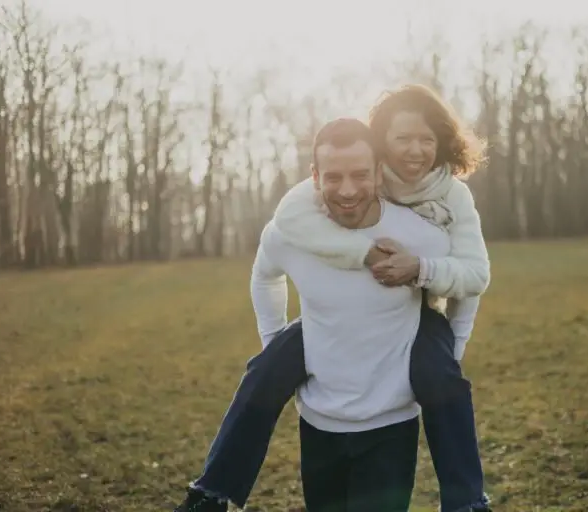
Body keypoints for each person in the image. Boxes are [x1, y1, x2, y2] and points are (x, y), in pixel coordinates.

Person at [174, 87, 491, 512]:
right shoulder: (311, 203)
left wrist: (432, 292)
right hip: (329, 330)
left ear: (376, 171)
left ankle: (467, 501)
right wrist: (358, 257)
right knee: (266, 369)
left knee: (442, 376)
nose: (414, 151)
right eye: (402, 139)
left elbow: (472, 277)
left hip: (421, 308)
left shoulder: (449, 197)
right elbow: (280, 235)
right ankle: (212, 492)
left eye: (426, 140)